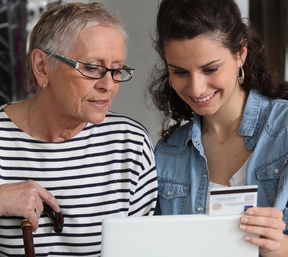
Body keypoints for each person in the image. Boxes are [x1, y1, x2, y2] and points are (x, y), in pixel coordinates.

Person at [0, 2, 158, 256]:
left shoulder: (129, 144)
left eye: (116, 70)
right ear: (42, 66)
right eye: (92, 68)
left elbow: (146, 248)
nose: (108, 85)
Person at [148, 0, 288, 256]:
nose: (196, 88)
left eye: (210, 69)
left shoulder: (285, 129)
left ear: (240, 53)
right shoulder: (167, 154)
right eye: (180, 72)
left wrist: (279, 247)